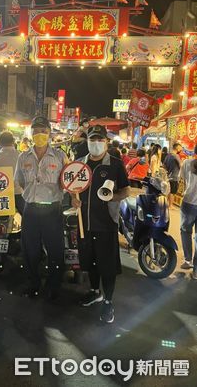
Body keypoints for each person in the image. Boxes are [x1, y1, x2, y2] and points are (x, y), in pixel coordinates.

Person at [72, 125, 130, 324]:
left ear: (106, 142)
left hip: (106, 224)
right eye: (92, 139)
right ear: (87, 141)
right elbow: (72, 188)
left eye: (100, 140)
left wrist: (111, 197)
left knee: (108, 265)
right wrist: (73, 198)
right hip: (84, 223)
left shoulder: (115, 164)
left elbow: (125, 191)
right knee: (89, 261)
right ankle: (95, 292)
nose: (96, 143)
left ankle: (108, 301)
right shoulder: (80, 164)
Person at [15, 116, 67, 301]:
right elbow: (20, 181)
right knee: (30, 250)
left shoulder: (60, 156)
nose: (39, 134)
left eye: (43, 131)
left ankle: (54, 286)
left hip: (52, 210)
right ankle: (33, 284)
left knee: (55, 250)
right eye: (36, 131)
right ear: (31, 133)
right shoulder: (23, 157)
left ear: (49, 133)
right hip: (30, 209)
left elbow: (68, 181)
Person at [0, 130, 24, 214]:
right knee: (26, 218)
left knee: (2, 221)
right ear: (13, 141)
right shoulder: (21, 156)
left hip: (1, 194)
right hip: (19, 193)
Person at [179, 144, 197, 273]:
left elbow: (183, 181)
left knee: (186, 231)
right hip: (190, 203)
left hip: (189, 202)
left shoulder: (187, 163)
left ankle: (188, 260)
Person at [163, 143, 182, 208]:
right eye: (180, 147)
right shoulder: (176, 156)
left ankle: (167, 204)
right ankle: (170, 205)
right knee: (172, 192)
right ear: (177, 148)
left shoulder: (168, 156)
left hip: (168, 176)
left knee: (168, 191)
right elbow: (181, 165)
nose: (181, 149)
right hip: (175, 177)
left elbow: (164, 166)